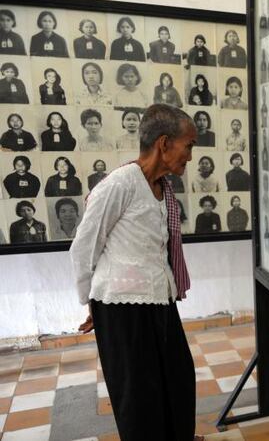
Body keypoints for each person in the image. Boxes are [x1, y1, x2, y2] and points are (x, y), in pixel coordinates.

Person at [69, 104, 199, 439]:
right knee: (139, 397)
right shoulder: (120, 184)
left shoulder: (161, 187)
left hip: (159, 302)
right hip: (122, 309)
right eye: (188, 145)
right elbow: (84, 246)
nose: (190, 154)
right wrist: (92, 302)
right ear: (164, 143)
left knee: (178, 380)